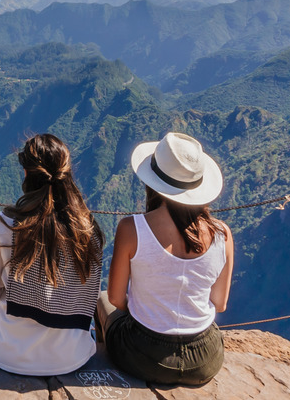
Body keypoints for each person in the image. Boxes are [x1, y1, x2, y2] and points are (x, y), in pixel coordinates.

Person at [96, 132, 234, 385]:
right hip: (205, 358)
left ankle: (98, 364)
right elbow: (220, 303)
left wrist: (148, 312)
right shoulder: (222, 233)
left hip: (143, 355)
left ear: (153, 182)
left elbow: (116, 299)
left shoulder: (132, 228)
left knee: (103, 298)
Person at [0, 133, 104, 376]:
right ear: (67, 170)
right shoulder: (88, 231)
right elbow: (91, 293)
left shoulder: (5, 228)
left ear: (26, 173)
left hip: (6, 353)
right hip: (72, 356)